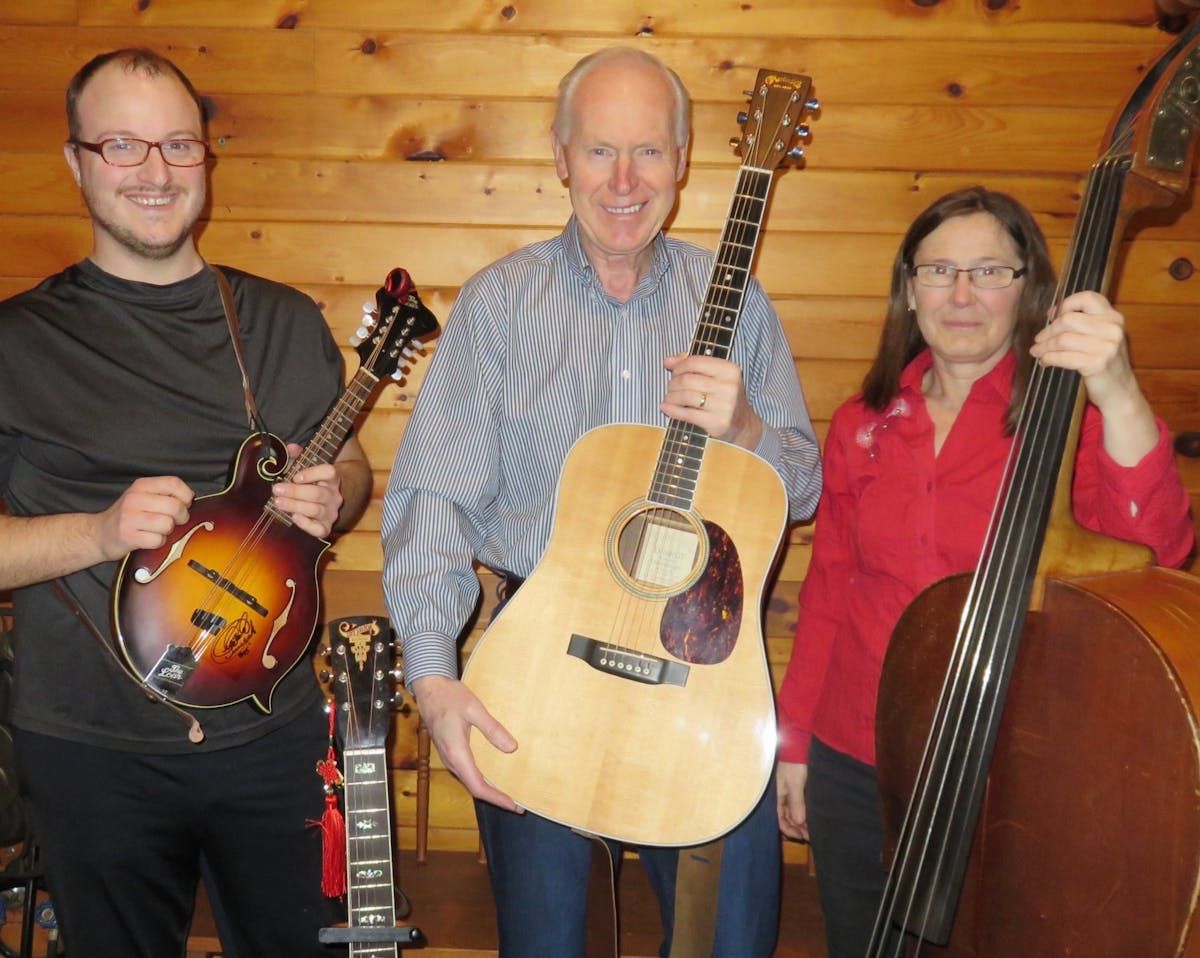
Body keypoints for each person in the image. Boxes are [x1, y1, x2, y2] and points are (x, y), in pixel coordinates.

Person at [382, 46, 822, 957]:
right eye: (599, 151)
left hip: (703, 678)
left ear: (685, 160)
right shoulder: (499, 305)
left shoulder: (736, 300)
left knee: (728, 945)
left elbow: (806, 486)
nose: (625, 181)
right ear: (560, 156)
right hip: (537, 675)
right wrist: (433, 679)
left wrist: (747, 429)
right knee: (546, 946)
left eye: (649, 151)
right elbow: (433, 503)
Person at [0, 49, 372, 956]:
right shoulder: (17, 342)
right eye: (123, 145)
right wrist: (97, 531)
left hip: (273, 729)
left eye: (178, 144)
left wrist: (335, 495)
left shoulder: (283, 320)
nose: (156, 172)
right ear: (77, 161)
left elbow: (353, 466)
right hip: (92, 746)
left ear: (207, 157)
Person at [775, 186, 1196, 958]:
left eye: (990, 271)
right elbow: (831, 589)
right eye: (939, 271)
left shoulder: (1071, 424)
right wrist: (796, 745)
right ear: (909, 290)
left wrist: (1120, 392)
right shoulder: (864, 422)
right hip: (854, 756)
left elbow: (1158, 553)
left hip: (1006, 768)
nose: (962, 295)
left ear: (1028, 288)